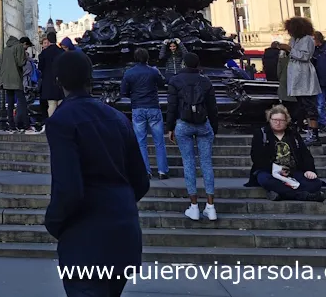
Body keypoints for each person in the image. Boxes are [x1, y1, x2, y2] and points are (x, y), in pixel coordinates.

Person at [45, 49, 150, 297]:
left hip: (85, 240)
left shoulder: (62, 120)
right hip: (123, 233)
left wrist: (54, 223)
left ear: (58, 81)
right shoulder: (118, 117)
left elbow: (69, 189)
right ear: (90, 79)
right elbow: (141, 181)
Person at [167, 53, 219, 221]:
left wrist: (170, 128)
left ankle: (194, 206)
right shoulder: (205, 81)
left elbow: (172, 106)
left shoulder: (175, 80)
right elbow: (213, 107)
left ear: (183, 63)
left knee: (188, 163)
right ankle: (210, 206)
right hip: (203, 124)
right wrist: (214, 127)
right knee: (206, 163)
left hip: (183, 124)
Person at [246, 105, 326, 202]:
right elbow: (256, 157)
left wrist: (309, 170)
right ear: (269, 120)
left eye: (281, 120)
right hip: (269, 172)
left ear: (286, 121)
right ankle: (303, 196)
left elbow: (305, 154)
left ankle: (279, 193)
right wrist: (276, 169)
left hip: (292, 171)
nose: (277, 123)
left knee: (316, 183)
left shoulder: (293, 134)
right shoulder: (261, 134)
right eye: (274, 120)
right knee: (265, 180)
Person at [121, 48, 169, 180]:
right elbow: (162, 83)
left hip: (138, 107)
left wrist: (134, 97)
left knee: (141, 141)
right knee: (159, 141)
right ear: (147, 58)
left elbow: (123, 91)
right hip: (153, 106)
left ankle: (145, 171)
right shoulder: (153, 71)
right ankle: (162, 171)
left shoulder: (129, 73)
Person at [277, 17, 321, 145]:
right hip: (295, 76)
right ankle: (302, 129)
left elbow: (305, 56)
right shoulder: (294, 40)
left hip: (304, 75)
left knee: (309, 106)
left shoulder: (308, 39)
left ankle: (314, 134)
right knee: (301, 106)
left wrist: (289, 49)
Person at [0, 35, 30, 132]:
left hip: (6, 80)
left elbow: (1, 64)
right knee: (22, 102)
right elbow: (21, 63)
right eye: (27, 47)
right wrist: (25, 57)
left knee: (10, 103)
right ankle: (26, 125)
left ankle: (11, 125)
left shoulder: (6, 49)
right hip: (16, 79)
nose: (26, 49)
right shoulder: (19, 46)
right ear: (24, 43)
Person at [39, 31, 65, 119]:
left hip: (48, 81)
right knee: (61, 103)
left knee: (51, 104)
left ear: (48, 40)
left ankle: (51, 122)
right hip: (60, 80)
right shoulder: (61, 52)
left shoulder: (44, 53)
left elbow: (40, 67)